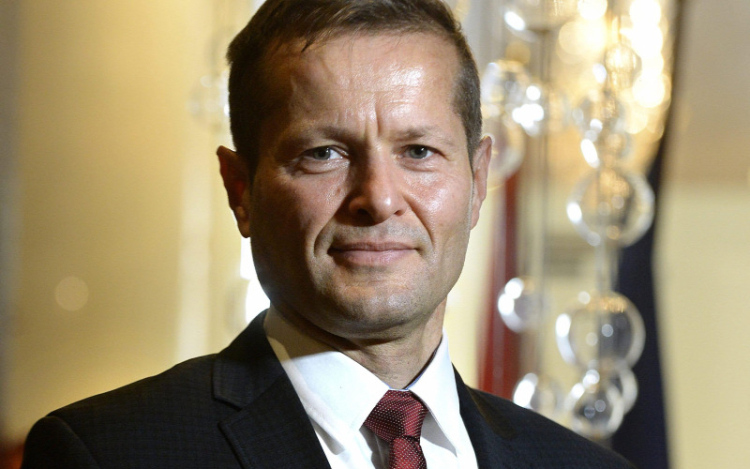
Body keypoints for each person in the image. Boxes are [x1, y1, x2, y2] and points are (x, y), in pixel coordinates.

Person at [22, 1, 634, 467]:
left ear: (477, 181)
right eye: (324, 153)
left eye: (418, 151)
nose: (380, 198)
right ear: (241, 191)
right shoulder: (107, 453)